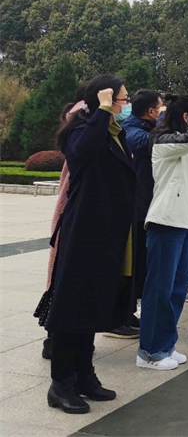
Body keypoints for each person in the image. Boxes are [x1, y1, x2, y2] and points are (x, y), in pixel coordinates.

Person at [47, 76, 135, 414]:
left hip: (108, 233)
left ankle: (84, 374)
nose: (125, 106)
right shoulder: (79, 129)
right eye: (121, 100)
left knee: (93, 305)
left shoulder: (116, 132)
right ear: (103, 100)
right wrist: (99, 111)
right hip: (83, 232)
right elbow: (84, 153)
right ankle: (61, 383)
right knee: (72, 308)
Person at [136, 95, 188, 369]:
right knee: (159, 290)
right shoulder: (163, 140)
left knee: (177, 289)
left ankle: (166, 344)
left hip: (184, 222)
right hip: (165, 222)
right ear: (187, 117)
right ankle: (150, 352)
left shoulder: (187, 145)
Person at [40, 86, 88, 361]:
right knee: (59, 282)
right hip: (68, 220)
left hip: (72, 220)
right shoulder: (77, 147)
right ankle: (53, 337)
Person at [111, 89, 162, 340]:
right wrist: (165, 125)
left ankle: (127, 313)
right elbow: (143, 143)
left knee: (138, 265)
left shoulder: (138, 125)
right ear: (151, 111)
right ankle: (119, 316)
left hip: (144, 204)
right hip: (135, 206)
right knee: (130, 264)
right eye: (160, 109)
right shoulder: (132, 129)